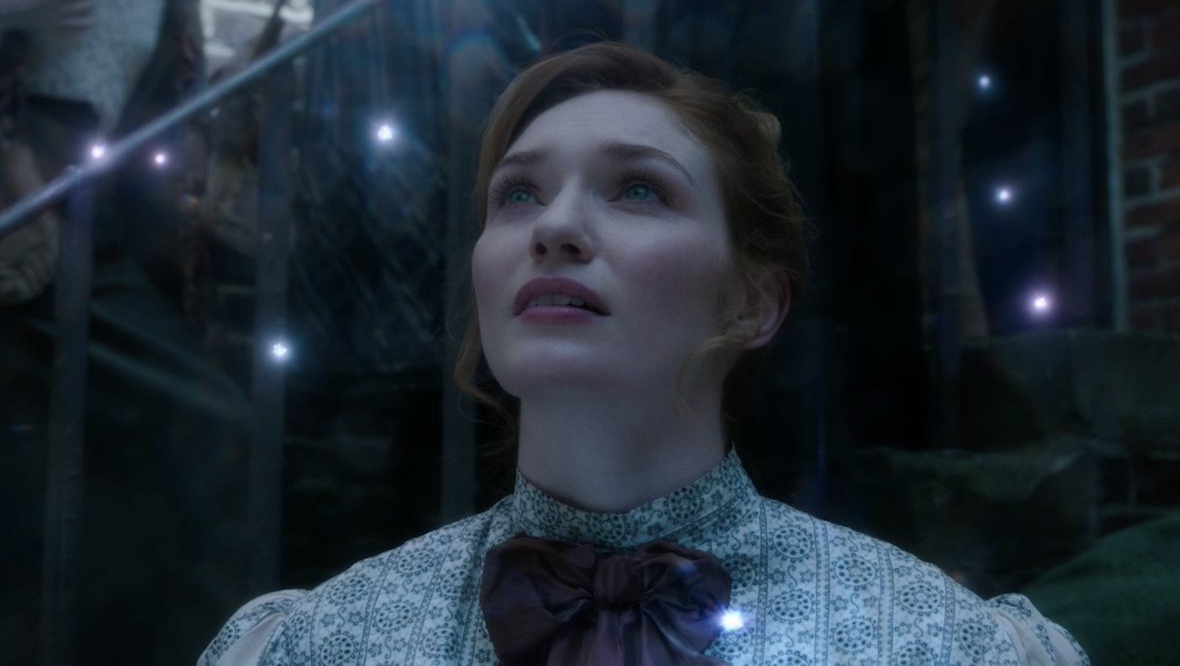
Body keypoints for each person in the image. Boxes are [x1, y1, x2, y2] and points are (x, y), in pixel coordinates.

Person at [200, 41, 1088, 665]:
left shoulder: (938, 643)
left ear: (753, 300)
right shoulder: (319, 643)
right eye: (518, 194)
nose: (554, 226)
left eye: (636, 189)